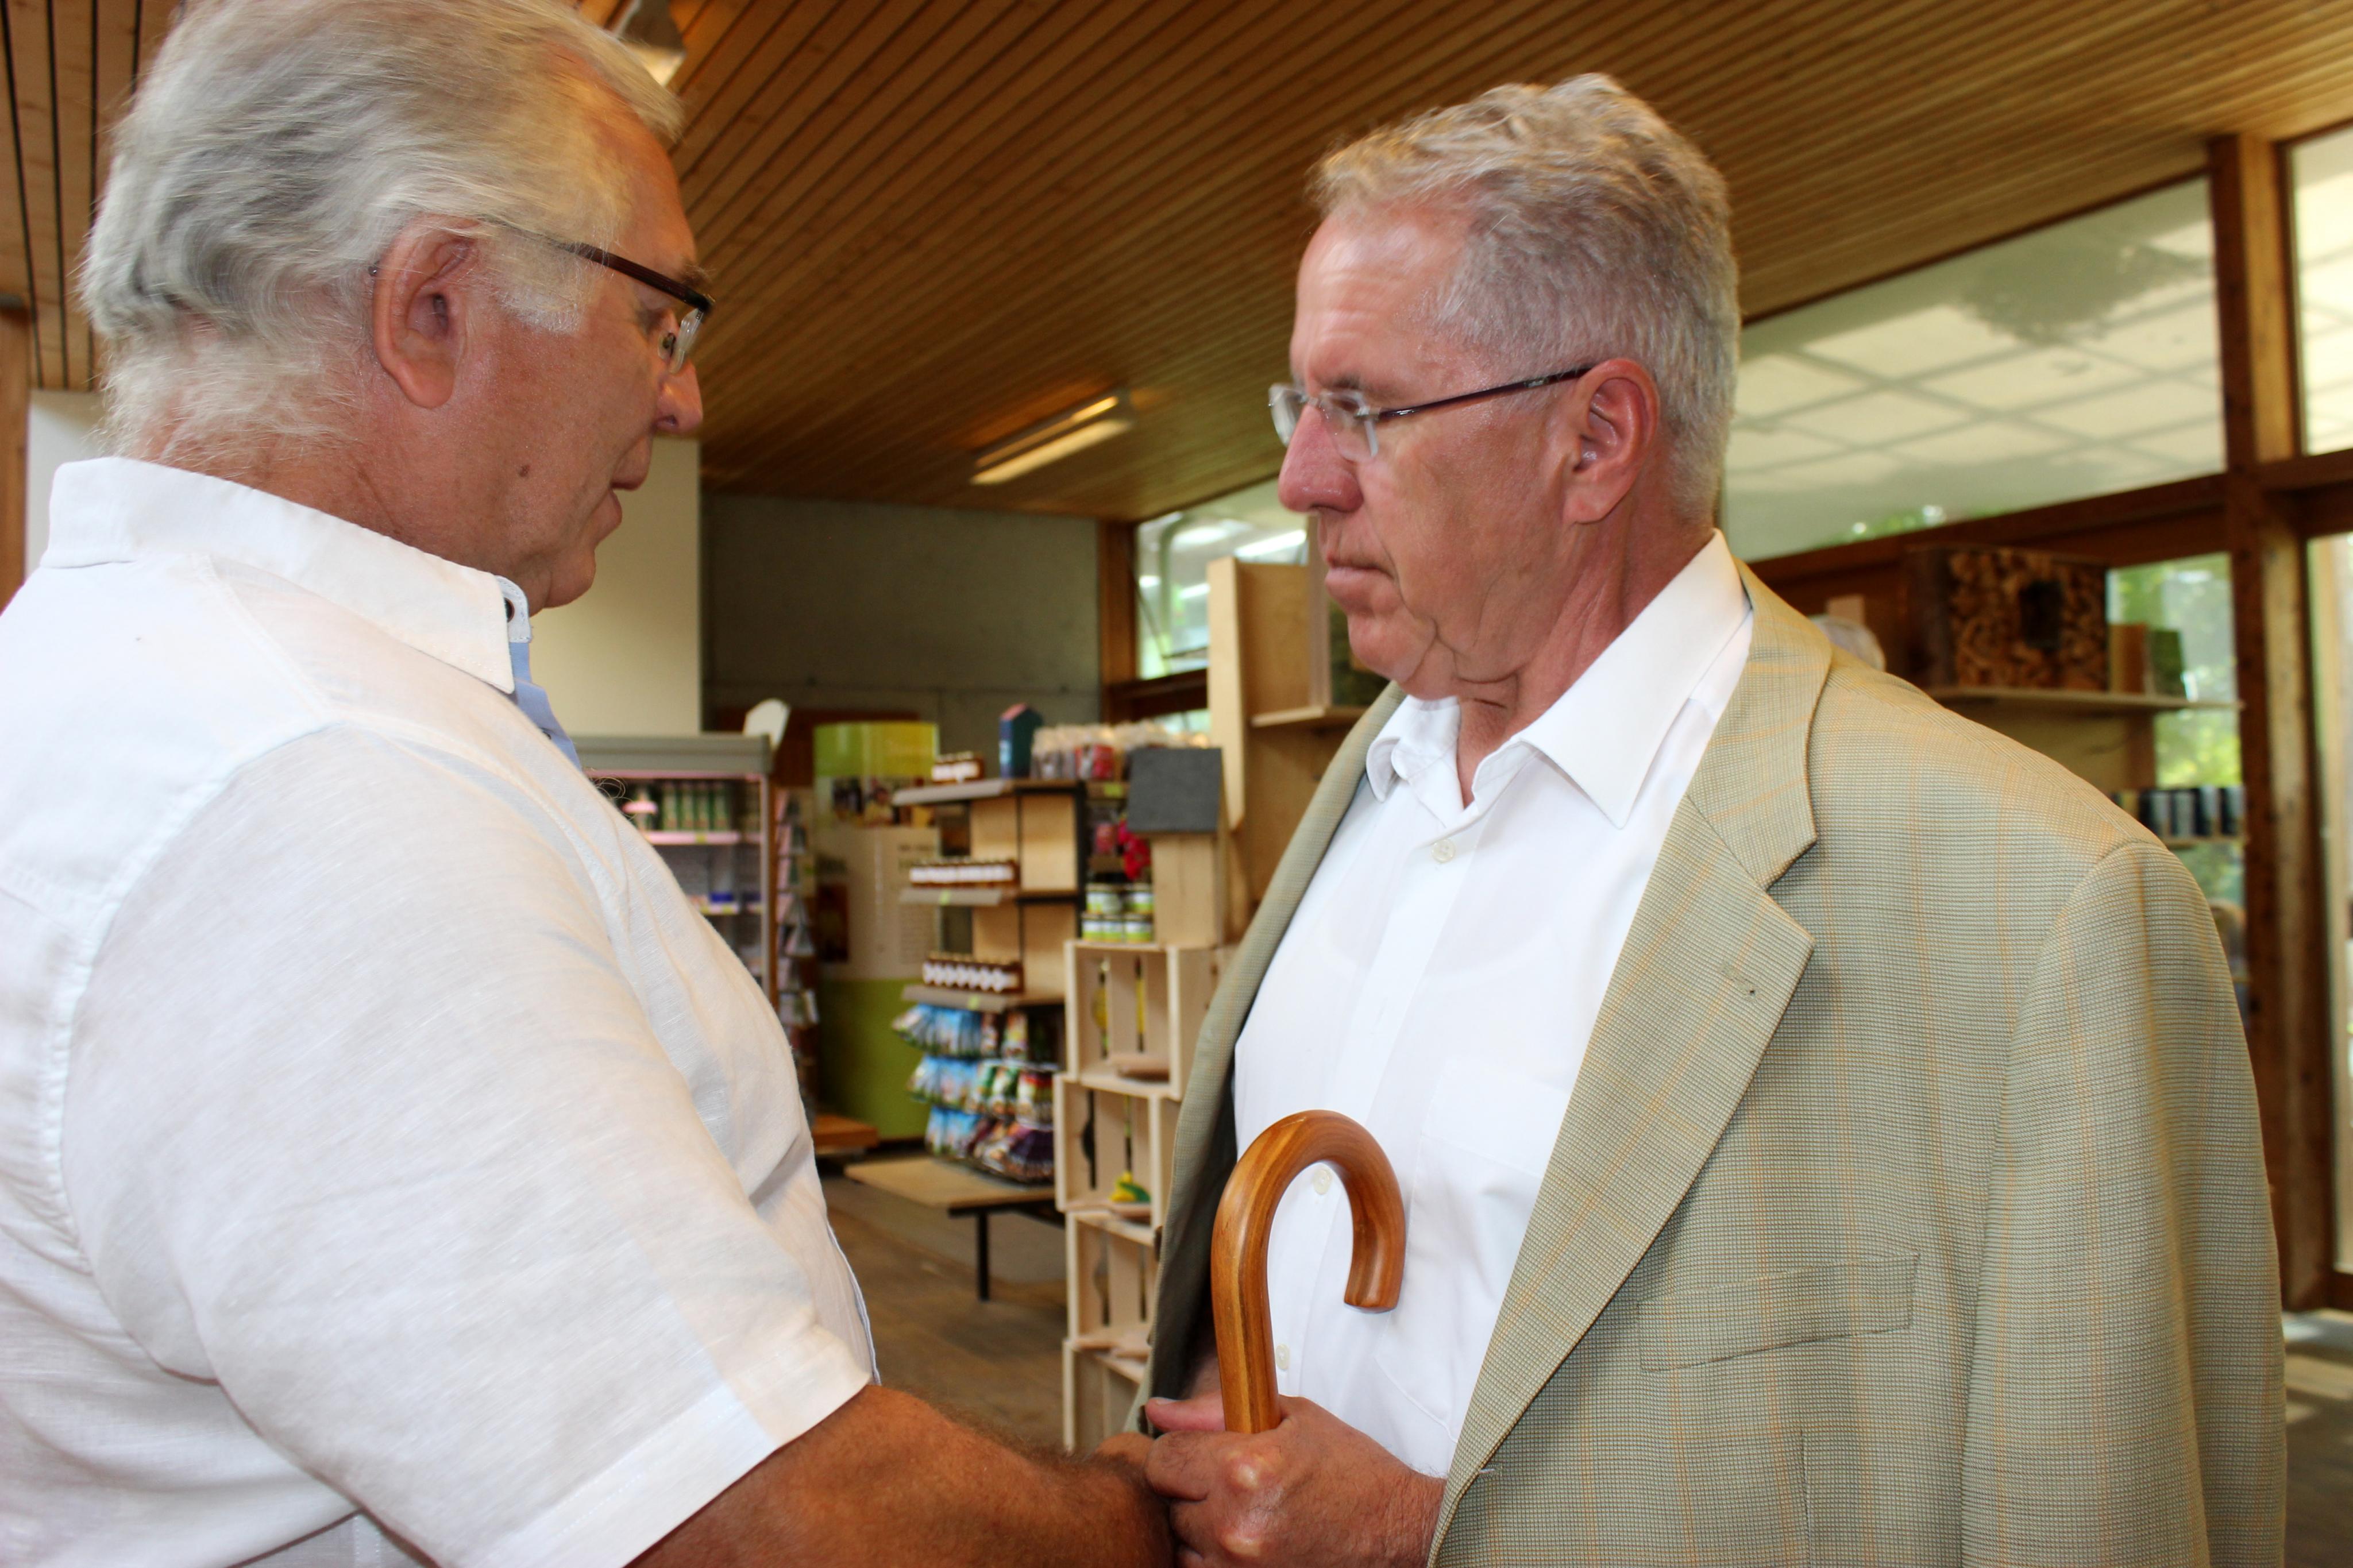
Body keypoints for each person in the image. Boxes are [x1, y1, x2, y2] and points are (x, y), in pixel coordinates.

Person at [0, 3, 1166, 1563]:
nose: (683, 399)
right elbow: (758, 1526)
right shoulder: (318, 790)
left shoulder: (134, 676)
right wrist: (1152, 1528)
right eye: (659, 316)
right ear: (431, 309)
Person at [1135, 76, 2283, 1566]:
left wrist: (1424, 1536)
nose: (1300, 480)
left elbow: (2098, 1513)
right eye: (1302, 405)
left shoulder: (2047, 908)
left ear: (1597, 439)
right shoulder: (1363, 787)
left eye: (1364, 409)